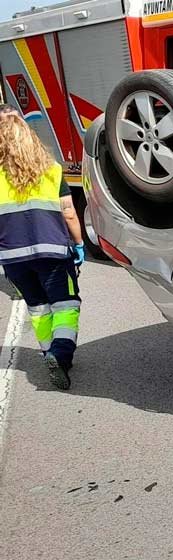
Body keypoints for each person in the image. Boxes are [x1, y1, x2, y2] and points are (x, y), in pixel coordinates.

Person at [0, 104, 85, 389]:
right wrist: (80, 243)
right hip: (52, 251)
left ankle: (49, 351)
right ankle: (60, 355)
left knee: (37, 306)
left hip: (12, 257)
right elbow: (69, 211)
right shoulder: (51, 169)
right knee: (66, 304)